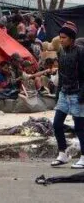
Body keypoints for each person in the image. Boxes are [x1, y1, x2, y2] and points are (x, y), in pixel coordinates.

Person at [49, 22, 84, 169]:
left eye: (63, 37)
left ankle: (83, 157)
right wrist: (58, 94)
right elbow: (61, 75)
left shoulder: (81, 52)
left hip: (77, 94)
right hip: (64, 93)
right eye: (60, 37)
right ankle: (62, 154)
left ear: (71, 38)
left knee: (80, 127)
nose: (61, 40)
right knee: (57, 124)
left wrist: (82, 94)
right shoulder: (61, 52)